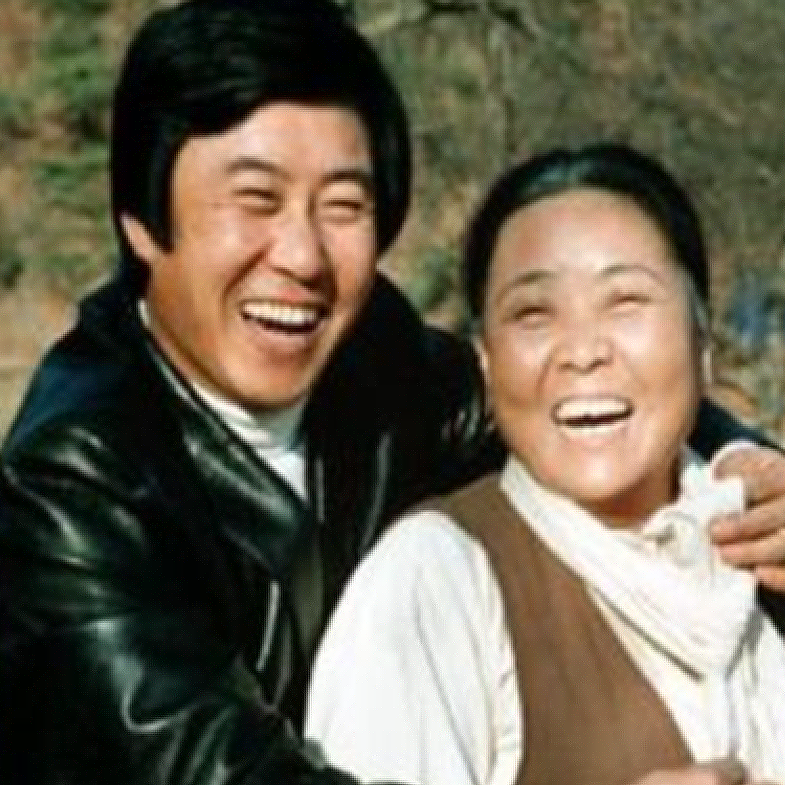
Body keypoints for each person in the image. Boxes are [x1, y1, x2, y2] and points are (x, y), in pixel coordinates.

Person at [0, 0, 781, 781]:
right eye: (256, 200)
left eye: (342, 205)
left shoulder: (370, 354)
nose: (302, 256)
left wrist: (743, 466)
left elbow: (562, 400)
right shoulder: (72, 484)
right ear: (141, 219)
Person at [304, 144, 785, 785]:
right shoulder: (435, 581)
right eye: (533, 314)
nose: (582, 352)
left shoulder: (758, 540)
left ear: (703, 341)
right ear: (486, 361)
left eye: (625, 301)